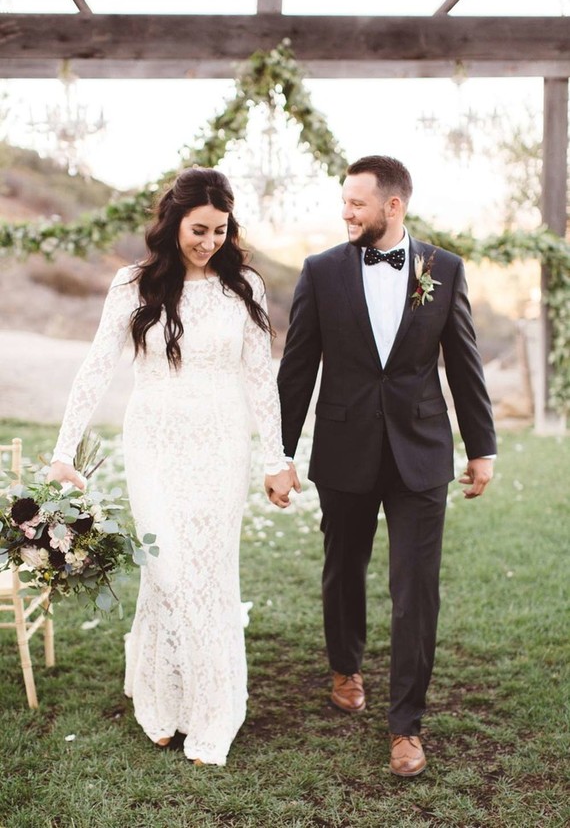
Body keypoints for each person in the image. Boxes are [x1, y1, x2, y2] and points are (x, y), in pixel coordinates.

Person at [49, 167, 297, 766]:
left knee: (208, 574)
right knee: (167, 568)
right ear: (173, 223)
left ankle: (211, 710)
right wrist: (63, 452)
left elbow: (261, 379)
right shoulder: (133, 284)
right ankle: (161, 698)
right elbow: (96, 368)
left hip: (220, 443)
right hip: (154, 443)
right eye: (198, 229)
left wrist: (276, 458)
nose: (209, 241)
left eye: (219, 230)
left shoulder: (245, 289)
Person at [276, 155, 496, 777]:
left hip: (420, 452)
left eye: (356, 203)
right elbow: (297, 370)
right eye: (344, 201)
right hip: (344, 449)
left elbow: (465, 363)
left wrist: (481, 448)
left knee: (415, 589)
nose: (345, 212)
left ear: (392, 206)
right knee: (344, 568)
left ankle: (406, 725)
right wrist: (281, 454)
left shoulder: (443, 269)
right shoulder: (320, 272)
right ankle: (345, 667)